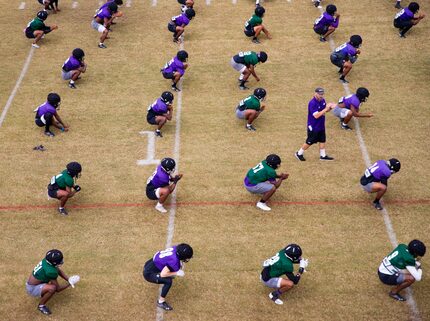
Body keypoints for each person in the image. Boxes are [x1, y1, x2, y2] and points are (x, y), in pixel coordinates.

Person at [26, 249, 80, 315]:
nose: (62, 261)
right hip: (32, 288)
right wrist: (70, 283)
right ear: (54, 262)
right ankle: (41, 306)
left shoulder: (47, 261)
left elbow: (57, 270)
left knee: (52, 285)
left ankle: (43, 291)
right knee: (52, 288)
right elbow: (58, 289)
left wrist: (68, 279)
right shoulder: (51, 271)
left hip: (35, 283)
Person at [143, 244, 193, 311]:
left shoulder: (175, 248)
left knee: (169, 270)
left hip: (149, 263)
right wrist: (176, 273)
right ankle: (161, 302)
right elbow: (163, 274)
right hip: (148, 274)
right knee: (168, 281)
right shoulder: (174, 262)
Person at [295, 88, 335, 162]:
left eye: (322, 94)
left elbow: (323, 111)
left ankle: (323, 156)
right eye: (320, 94)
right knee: (310, 141)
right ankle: (299, 153)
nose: (321, 96)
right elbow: (316, 115)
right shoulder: (312, 103)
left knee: (322, 140)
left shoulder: (322, 101)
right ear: (315, 93)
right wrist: (326, 108)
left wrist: (330, 108)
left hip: (321, 125)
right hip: (314, 126)